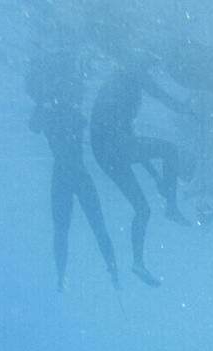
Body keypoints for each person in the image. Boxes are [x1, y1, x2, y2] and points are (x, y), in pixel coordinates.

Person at [90, 54, 191, 287]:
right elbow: (159, 95)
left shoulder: (118, 85)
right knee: (170, 150)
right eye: (149, 63)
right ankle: (172, 208)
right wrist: (185, 109)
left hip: (106, 155)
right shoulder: (130, 77)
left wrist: (155, 175)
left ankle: (138, 263)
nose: (151, 69)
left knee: (143, 209)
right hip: (113, 148)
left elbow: (128, 139)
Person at [26, 52, 118, 291]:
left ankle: (65, 275)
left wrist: (44, 100)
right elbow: (40, 123)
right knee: (93, 226)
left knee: (66, 230)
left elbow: (34, 125)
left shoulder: (55, 114)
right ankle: (109, 268)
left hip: (64, 177)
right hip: (78, 175)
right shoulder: (69, 113)